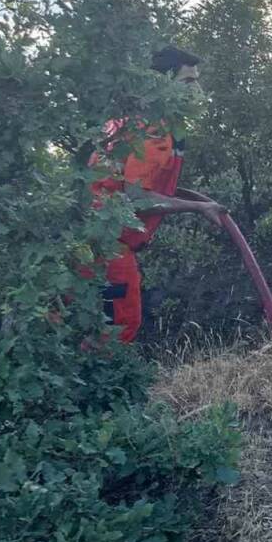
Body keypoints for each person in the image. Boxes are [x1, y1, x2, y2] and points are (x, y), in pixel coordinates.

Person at [89, 44, 213, 342]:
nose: (197, 89)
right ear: (164, 85)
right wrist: (197, 208)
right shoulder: (155, 132)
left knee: (78, 331)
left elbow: (125, 183)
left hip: (83, 243)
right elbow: (136, 199)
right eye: (188, 81)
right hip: (108, 249)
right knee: (117, 333)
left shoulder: (128, 124)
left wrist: (197, 200)